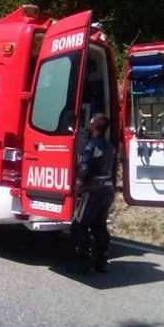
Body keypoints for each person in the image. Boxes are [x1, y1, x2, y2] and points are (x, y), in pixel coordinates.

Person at [68, 113, 116, 274]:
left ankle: (83, 264)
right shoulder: (110, 146)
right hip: (108, 190)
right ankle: (102, 262)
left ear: (94, 125)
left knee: (78, 226)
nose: (88, 125)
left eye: (90, 123)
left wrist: (75, 170)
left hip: (94, 191)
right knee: (99, 226)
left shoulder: (90, 146)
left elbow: (84, 170)